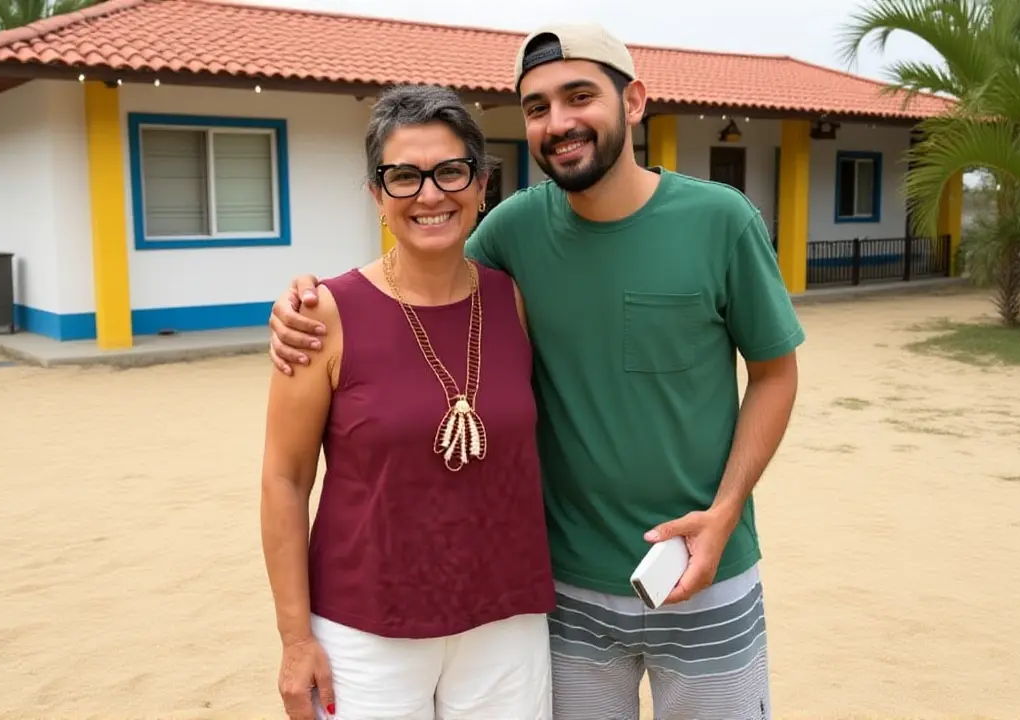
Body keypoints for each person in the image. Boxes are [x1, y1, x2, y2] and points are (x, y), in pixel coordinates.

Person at [267, 22, 803, 720]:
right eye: (537, 107)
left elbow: (775, 373)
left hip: (701, 569)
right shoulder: (513, 233)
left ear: (633, 101)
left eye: (580, 96)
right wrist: (304, 299)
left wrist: (727, 512)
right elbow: (421, 269)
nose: (559, 122)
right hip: (566, 590)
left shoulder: (720, 220)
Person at [259, 83, 555, 720]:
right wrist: (294, 639)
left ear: (481, 184)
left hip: (506, 621)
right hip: (367, 629)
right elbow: (285, 478)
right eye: (403, 176)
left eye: (451, 171)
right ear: (376, 194)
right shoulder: (323, 315)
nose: (430, 195)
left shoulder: (513, 299)